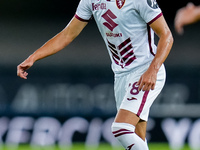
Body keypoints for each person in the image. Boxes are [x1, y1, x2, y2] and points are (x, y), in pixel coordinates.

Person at [17, 0, 173, 149]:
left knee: (121, 129)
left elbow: (166, 35)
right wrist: (33, 57)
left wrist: (153, 70)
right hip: (121, 75)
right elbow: (68, 34)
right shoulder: (90, 1)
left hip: (145, 71)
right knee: (137, 137)